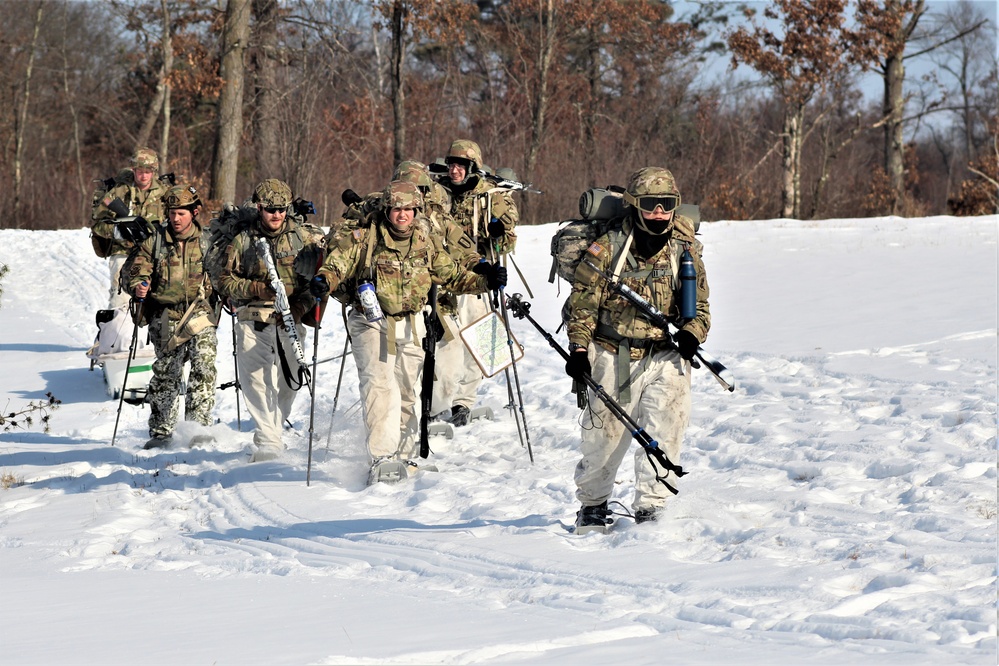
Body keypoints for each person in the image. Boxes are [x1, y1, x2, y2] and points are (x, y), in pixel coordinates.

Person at [309, 180, 505, 484]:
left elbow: (451, 275)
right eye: (397, 208)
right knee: (379, 385)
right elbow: (338, 265)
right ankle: (382, 457)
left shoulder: (425, 242)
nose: (403, 215)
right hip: (372, 322)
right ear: (388, 209)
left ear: (417, 210)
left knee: (406, 391)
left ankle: (403, 454)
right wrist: (324, 280)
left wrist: (485, 280)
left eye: (409, 209)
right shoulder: (365, 237)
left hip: (412, 323)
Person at [563, 166, 710, 534]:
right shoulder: (608, 246)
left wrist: (692, 333)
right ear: (634, 205)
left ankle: (652, 507)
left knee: (667, 429)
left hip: (667, 355)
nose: (659, 213)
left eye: (667, 205)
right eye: (650, 205)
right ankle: (593, 505)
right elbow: (583, 304)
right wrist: (579, 351)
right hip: (614, 353)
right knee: (605, 438)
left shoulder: (685, 248)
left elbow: (702, 308)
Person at [215, 179, 326, 462]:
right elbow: (225, 280)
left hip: (290, 315)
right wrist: (257, 289)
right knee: (254, 378)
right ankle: (268, 440)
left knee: (291, 380)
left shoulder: (302, 238)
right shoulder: (243, 241)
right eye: (270, 210)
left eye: (282, 209)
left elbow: (315, 283)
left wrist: (301, 308)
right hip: (254, 315)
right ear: (259, 208)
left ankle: (274, 429)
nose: (276, 215)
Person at [126, 184, 219, 449]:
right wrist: (139, 284)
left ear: (195, 212)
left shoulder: (208, 241)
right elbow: (133, 271)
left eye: (181, 213)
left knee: (204, 364)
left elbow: (224, 273)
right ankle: (161, 432)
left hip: (199, 313)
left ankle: (197, 429)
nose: (175, 219)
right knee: (167, 374)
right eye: (172, 213)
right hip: (165, 316)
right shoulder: (154, 241)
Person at [434, 139, 519, 426]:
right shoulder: (439, 192)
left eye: (461, 165)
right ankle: (436, 398)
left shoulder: (491, 196)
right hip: (443, 274)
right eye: (451, 164)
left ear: (473, 167)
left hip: (478, 277)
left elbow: (507, 242)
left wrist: (497, 233)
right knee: (445, 340)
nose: (455, 170)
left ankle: (463, 400)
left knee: (478, 336)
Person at [92, 147, 168, 310]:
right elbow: (98, 223)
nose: (144, 175)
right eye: (140, 170)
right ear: (133, 169)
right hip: (124, 251)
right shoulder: (119, 191)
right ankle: (116, 329)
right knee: (120, 298)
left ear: (154, 171)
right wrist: (118, 232)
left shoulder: (164, 193)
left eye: (148, 171)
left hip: (154, 253)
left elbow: (177, 222)